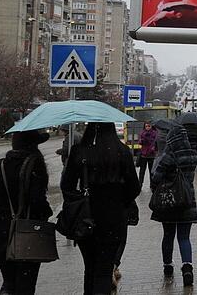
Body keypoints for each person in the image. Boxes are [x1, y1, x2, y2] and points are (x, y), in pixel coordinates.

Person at [61, 123, 141, 295]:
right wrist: (120, 201)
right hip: (113, 219)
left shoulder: (79, 151)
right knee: (104, 269)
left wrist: (79, 201)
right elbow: (134, 187)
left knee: (89, 267)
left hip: (86, 218)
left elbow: (66, 186)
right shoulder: (122, 151)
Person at [0, 130, 52, 295]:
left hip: (0, 236)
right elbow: (38, 203)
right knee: (26, 285)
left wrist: (4, 217)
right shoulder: (35, 166)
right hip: (27, 236)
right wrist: (44, 214)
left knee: (9, 281)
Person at [150, 122, 197, 287]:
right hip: (187, 200)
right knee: (184, 237)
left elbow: (156, 177)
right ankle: (187, 268)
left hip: (170, 201)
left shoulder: (169, 155)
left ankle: (168, 266)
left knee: (168, 235)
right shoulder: (193, 155)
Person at [138, 122, 158, 186]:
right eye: (146, 126)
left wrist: (153, 147)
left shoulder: (155, 133)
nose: (147, 127)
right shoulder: (142, 133)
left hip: (151, 155)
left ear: (151, 126)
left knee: (151, 171)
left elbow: (156, 143)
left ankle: (152, 185)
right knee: (142, 171)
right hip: (143, 155)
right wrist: (141, 141)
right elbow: (140, 142)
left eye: (149, 126)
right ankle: (140, 184)